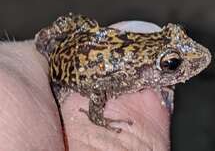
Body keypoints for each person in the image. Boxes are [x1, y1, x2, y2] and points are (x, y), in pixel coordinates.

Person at [0, 22, 170, 151]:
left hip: (82, 42)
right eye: (172, 63)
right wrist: (97, 118)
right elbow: (99, 88)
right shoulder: (129, 75)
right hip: (67, 74)